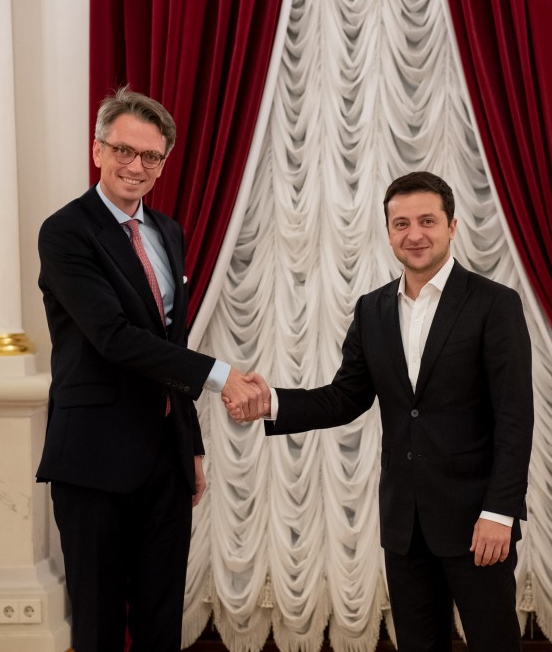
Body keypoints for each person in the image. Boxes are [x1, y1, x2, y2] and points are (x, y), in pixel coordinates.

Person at [228, 171, 534, 651]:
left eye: (428, 221)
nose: (415, 234)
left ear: (452, 226)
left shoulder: (494, 303)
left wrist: (500, 512)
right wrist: (273, 402)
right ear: (388, 232)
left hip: (479, 520)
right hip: (404, 523)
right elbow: (345, 398)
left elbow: (515, 417)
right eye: (401, 224)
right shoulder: (371, 309)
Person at [37, 85, 267, 652]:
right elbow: (115, 339)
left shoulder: (169, 232)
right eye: (123, 150)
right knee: (98, 626)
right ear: (98, 150)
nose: (135, 166)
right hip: (94, 459)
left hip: (165, 458)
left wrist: (191, 445)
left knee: (163, 622)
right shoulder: (66, 232)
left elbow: (172, 341)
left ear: (164, 163)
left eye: (150, 156)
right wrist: (222, 376)